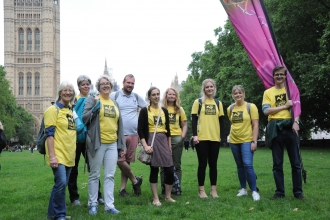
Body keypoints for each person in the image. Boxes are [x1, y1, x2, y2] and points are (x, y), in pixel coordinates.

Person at [83, 75, 126, 215]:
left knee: (110, 175)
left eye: (108, 83)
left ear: (111, 86)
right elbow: (84, 118)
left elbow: (120, 125)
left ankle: (109, 205)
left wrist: (122, 145)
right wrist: (95, 107)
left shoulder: (114, 103)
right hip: (97, 142)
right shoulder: (93, 99)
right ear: (98, 87)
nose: (105, 85)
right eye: (102, 84)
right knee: (94, 174)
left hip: (112, 143)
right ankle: (93, 203)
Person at [262, 65, 304, 200]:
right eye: (277, 75)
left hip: (291, 126)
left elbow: (297, 106)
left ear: (285, 76)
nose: (279, 77)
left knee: (296, 163)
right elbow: (266, 111)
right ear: (273, 77)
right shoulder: (268, 92)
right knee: (277, 163)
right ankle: (279, 192)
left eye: (281, 74)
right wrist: (285, 106)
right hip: (275, 127)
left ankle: (298, 192)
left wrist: (296, 122)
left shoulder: (292, 90)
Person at [68, 75, 104, 206]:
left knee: (93, 168)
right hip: (76, 138)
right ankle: (74, 197)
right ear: (78, 86)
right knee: (73, 168)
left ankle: (98, 195)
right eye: (83, 84)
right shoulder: (74, 100)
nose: (86, 86)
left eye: (87, 84)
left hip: (89, 138)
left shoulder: (93, 99)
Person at [138, 86, 175, 206]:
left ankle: (168, 196)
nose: (156, 96)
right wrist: (145, 145)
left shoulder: (164, 111)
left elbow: (168, 130)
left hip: (163, 140)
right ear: (149, 97)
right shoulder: (145, 111)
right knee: (154, 169)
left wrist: (169, 146)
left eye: (158, 94)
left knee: (169, 170)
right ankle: (155, 198)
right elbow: (140, 129)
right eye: (153, 94)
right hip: (151, 141)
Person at [110, 74, 146, 197]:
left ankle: (122, 190)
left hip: (133, 134)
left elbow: (147, 108)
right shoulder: (115, 95)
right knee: (119, 160)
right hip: (118, 135)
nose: (130, 85)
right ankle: (135, 181)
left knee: (126, 163)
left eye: (132, 83)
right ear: (123, 82)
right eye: (128, 83)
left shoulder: (136, 97)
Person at [45, 81, 76, 220]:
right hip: (57, 154)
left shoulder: (70, 110)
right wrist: (52, 156)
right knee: (62, 183)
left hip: (69, 154)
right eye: (65, 90)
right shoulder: (53, 110)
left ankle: (52, 214)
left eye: (70, 90)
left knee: (61, 185)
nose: (68, 92)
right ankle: (60, 215)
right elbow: (49, 135)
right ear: (60, 92)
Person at [191, 78, 226, 198]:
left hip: (215, 139)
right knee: (202, 165)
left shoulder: (218, 103)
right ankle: (201, 190)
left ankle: (213, 190)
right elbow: (194, 120)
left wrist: (222, 137)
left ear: (214, 88)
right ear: (204, 89)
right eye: (207, 87)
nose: (209, 89)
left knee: (213, 165)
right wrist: (195, 135)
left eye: (211, 86)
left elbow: (222, 121)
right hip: (201, 138)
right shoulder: (198, 102)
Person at [227, 85, 260, 201]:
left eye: (240, 93)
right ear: (233, 95)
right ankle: (243, 189)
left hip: (247, 140)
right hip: (234, 141)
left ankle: (254, 191)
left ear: (244, 93)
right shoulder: (230, 108)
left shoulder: (251, 107)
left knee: (248, 165)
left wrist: (254, 141)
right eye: (235, 93)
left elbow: (255, 125)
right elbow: (232, 124)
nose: (238, 95)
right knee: (240, 166)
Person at [160, 87, 187, 194]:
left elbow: (184, 124)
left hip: (176, 137)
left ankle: (176, 188)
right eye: (169, 94)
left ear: (176, 97)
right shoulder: (161, 109)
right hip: (164, 137)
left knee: (176, 164)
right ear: (166, 96)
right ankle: (164, 188)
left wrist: (182, 137)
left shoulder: (180, 109)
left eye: (173, 94)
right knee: (163, 165)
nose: (171, 96)